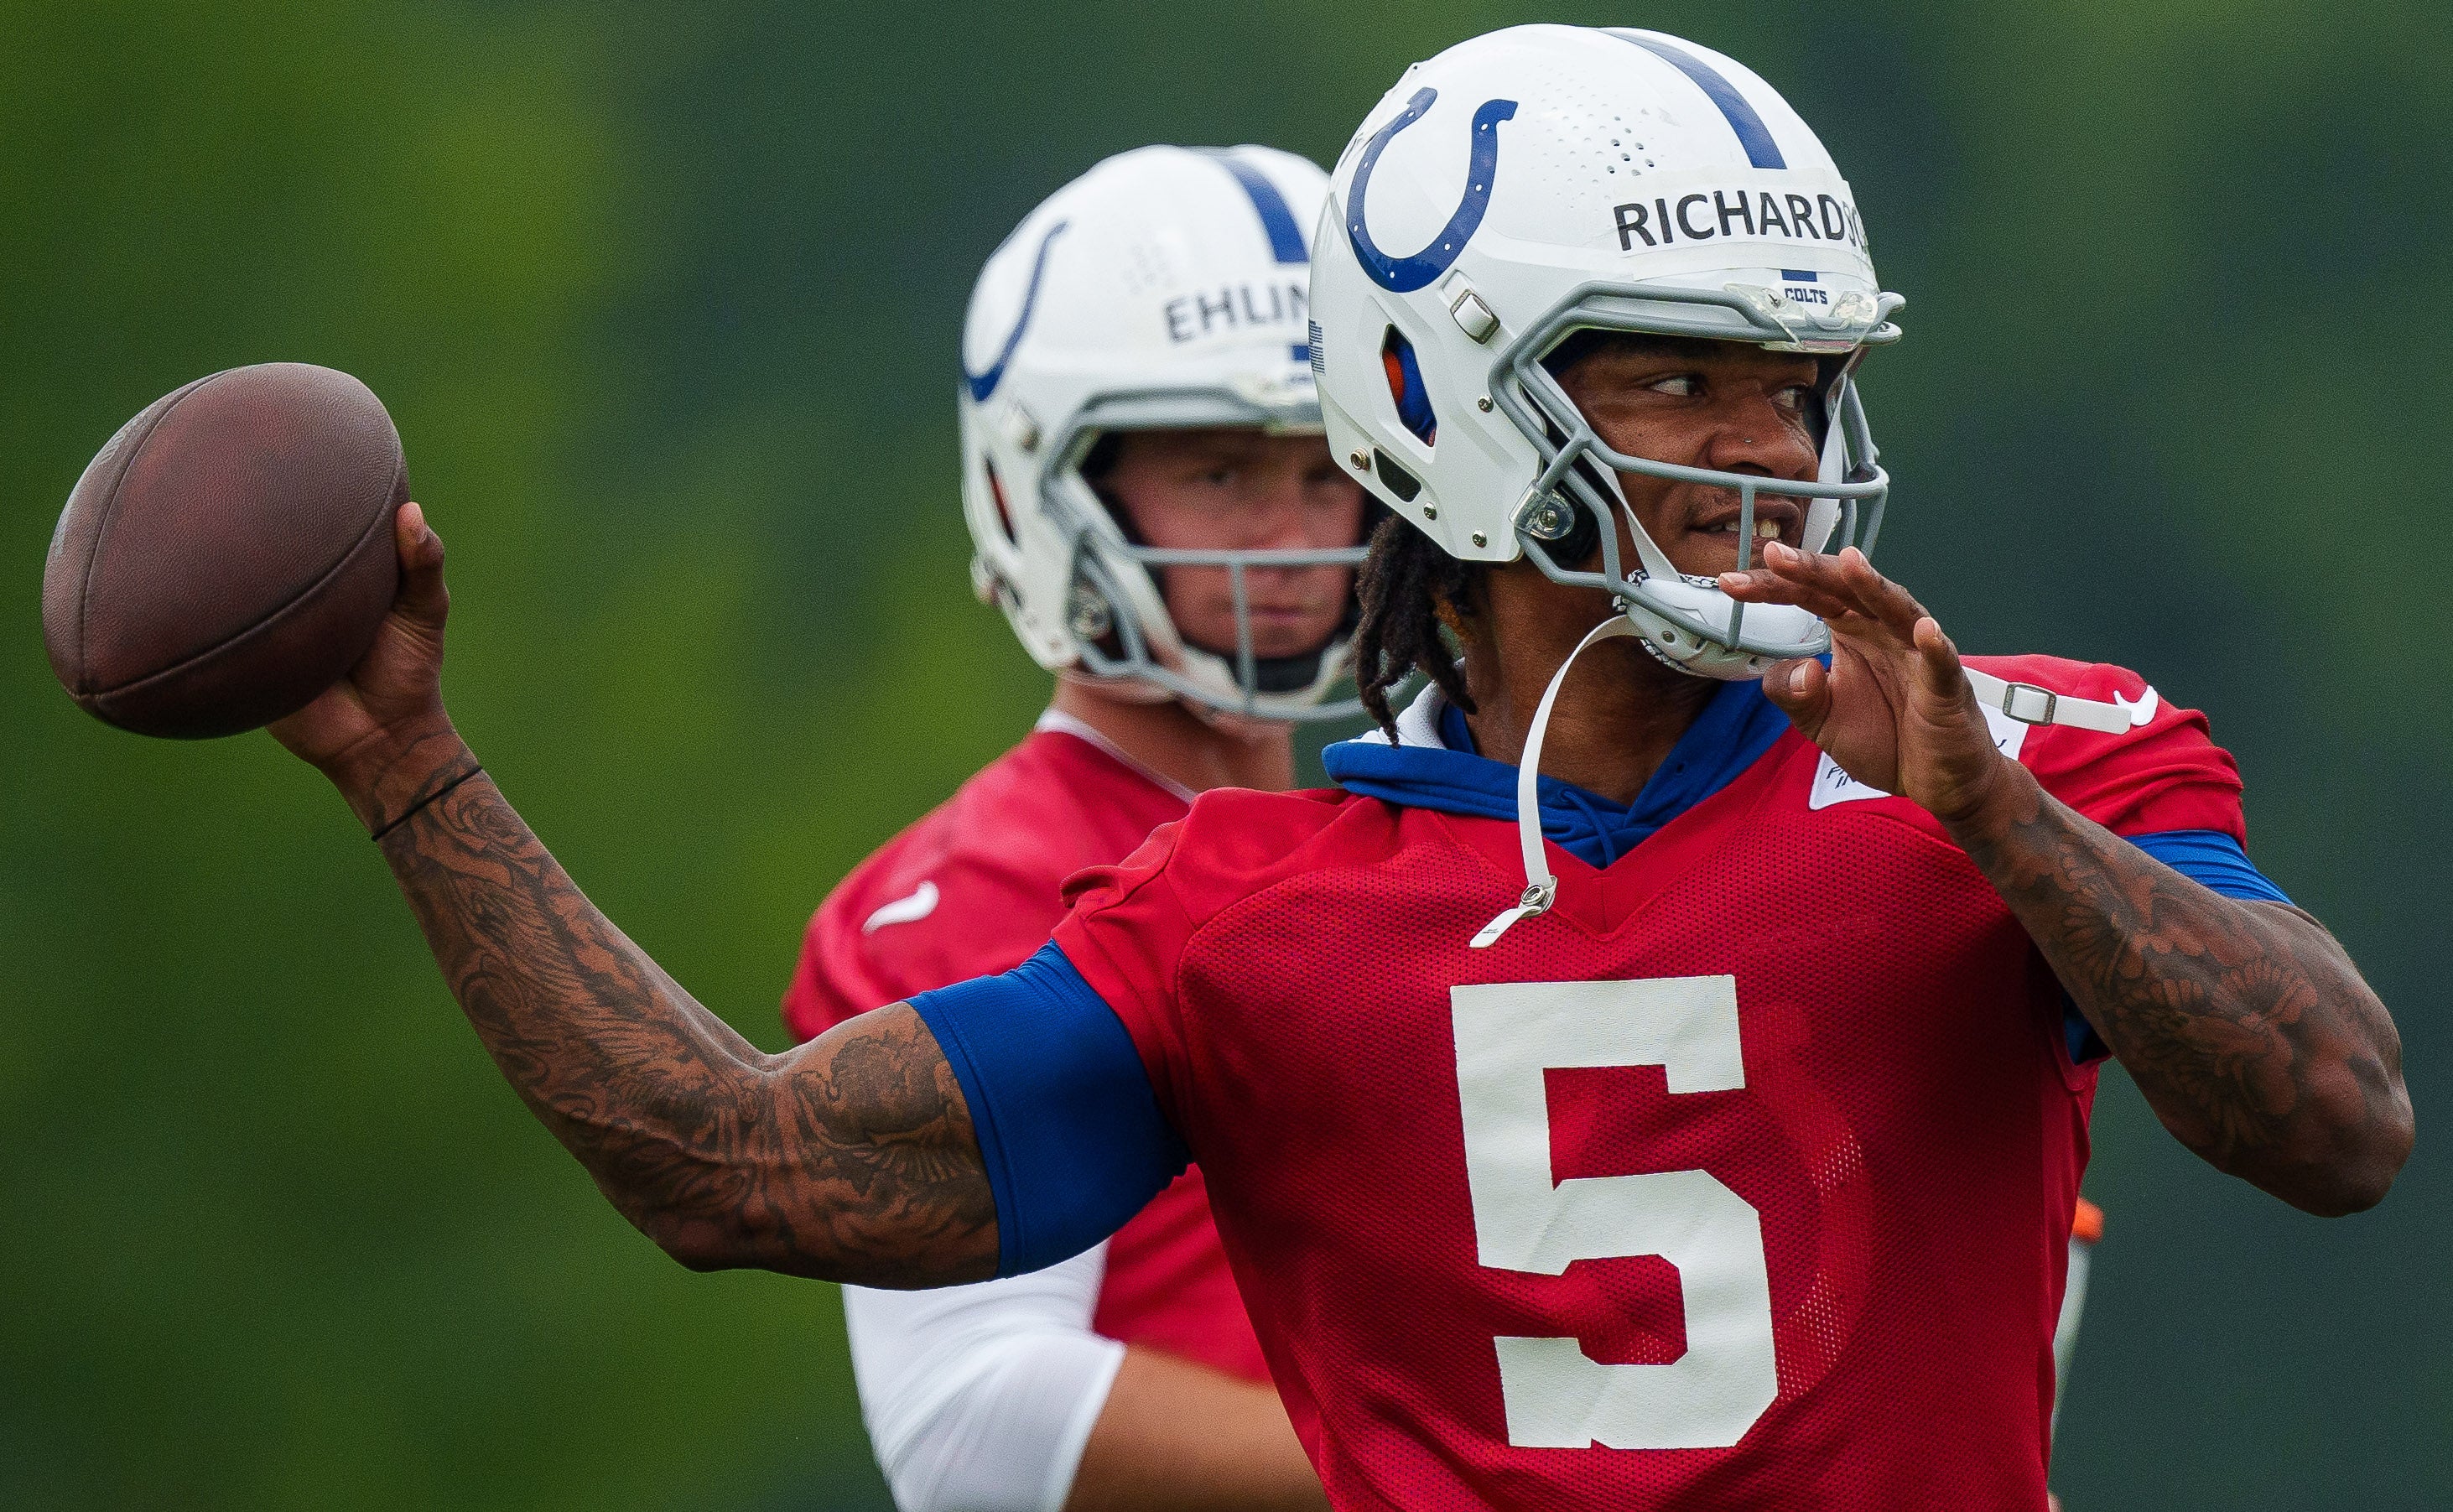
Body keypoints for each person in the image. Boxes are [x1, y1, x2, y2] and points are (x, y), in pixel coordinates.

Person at [268, 25, 2410, 1511]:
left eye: (1801, 383)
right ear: (1455, 410)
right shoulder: (1242, 914)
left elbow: (2338, 1122)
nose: (1766, 455)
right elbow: (736, 1167)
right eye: (1681, 377)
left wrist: (2001, 828)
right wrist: (408, 765)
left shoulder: (2018, 751)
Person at [782, 144, 1364, 1512]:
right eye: (1219, 476)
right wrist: (1470, 1478)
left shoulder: (1410, 836)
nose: (1290, 539)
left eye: (1326, 475)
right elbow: (971, 1420)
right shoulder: (971, 894)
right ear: (1042, 485)